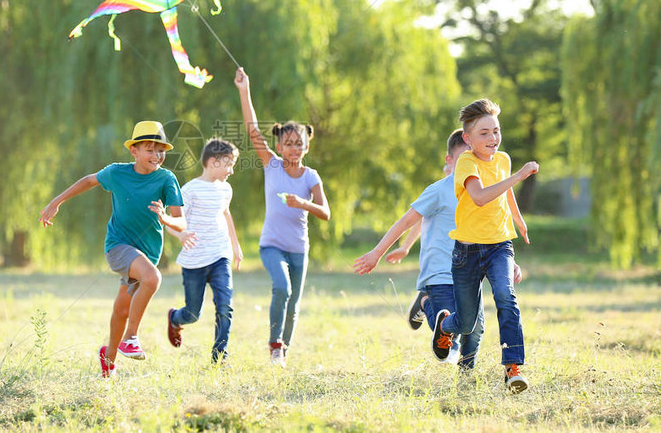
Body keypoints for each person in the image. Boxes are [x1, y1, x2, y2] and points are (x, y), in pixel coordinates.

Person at [39, 121, 192, 378]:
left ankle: (108, 358)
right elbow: (89, 181)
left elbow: (181, 220)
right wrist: (57, 201)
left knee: (122, 309)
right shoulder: (116, 173)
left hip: (147, 253)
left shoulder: (167, 178)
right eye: (149, 149)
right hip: (118, 246)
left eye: (160, 150)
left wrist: (166, 220)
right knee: (153, 278)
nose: (156, 155)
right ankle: (131, 337)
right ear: (134, 151)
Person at [353, 129, 486, 368]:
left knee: (473, 327)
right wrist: (378, 252)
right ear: (449, 161)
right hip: (440, 270)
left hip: (469, 273)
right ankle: (440, 327)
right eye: (462, 158)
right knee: (446, 316)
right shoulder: (439, 190)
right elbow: (409, 220)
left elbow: (490, 231)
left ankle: (465, 373)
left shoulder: (480, 194)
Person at [431, 99, 538, 393]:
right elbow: (479, 196)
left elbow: (506, 192)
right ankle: (445, 327)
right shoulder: (466, 162)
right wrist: (518, 177)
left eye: (496, 131)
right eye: (484, 133)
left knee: (506, 296)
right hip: (467, 252)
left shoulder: (503, 159)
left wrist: (518, 219)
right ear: (467, 138)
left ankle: (512, 368)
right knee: (466, 323)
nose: (493, 139)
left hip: (499, 246)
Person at [234, 67, 331, 367]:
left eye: (299, 143)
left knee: (294, 306)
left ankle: (282, 352)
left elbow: (325, 213)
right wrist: (244, 90)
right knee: (282, 288)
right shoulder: (271, 165)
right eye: (288, 143)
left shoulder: (311, 176)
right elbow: (252, 130)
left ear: (306, 146)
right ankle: (275, 344)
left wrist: (303, 203)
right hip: (271, 245)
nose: (294, 148)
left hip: (299, 247)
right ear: (279, 146)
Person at [166, 138, 244, 363]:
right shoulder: (190, 190)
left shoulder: (226, 189)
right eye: (229, 164)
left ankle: (220, 357)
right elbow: (173, 221)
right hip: (194, 261)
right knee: (192, 314)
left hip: (220, 255)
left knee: (225, 306)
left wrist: (235, 246)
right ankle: (175, 318)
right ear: (212, 162)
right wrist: (181, 235)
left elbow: (226, 213)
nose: (231, 170)